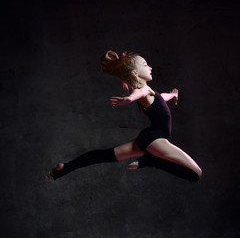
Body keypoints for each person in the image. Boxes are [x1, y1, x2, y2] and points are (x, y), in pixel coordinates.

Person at [45, 50, 202, 181]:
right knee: (196, 173)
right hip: (156, 138)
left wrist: (172, 95)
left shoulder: (151, 93)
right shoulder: (144, 91)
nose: (151, 67)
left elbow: (161, 98)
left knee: (105, 155)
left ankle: (64, 169)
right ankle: (151, 161)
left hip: (147, 138)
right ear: (135, 73)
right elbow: (137, 93)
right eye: (146, 65)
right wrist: (128, 99)